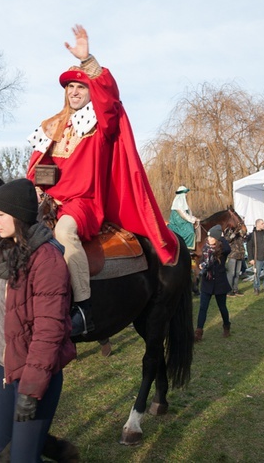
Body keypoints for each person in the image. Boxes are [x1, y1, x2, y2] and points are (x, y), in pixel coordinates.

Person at [26, 25, 178, 336]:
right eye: (69, 88)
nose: (74, 92)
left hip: (82, 204)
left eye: (80, 87)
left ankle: (82, 307)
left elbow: (110, 100)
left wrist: (89, 62)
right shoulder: (51, 126)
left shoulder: (100, 122)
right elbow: (34, 170)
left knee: (66, 234)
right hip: (48, 203)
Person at [0, 178, 76, 462]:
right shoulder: (6, 250)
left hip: (33, 377)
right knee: (1, 456)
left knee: (22, 459)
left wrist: (31, 390)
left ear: (19, 214)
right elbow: (14, 294)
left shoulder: (47, 259)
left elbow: (49, 332)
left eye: (0, 214)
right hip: (1, 368)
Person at [195, 226, 232, 342]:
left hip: (219, 283)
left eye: (212, 236)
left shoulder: (222, 249)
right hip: (207, 282)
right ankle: (199, 332)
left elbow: (228, 248)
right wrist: (201, 264)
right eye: (209, 236)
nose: (209, 238)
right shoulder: (206, 248)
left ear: (216, 238)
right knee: (203, 308)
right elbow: (203, 260)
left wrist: (222, 237)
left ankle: (226, 326)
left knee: (222, 307)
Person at [168, 186, 200, 251]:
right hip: (178, 222)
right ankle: (187, 249)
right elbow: (183, 215)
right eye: (185, 193)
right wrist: (193, 220)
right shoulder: (178, 202)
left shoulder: (183, 202)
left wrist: (194, 218)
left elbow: (188, 213)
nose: (186, 194)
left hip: (182, 220)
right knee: (190, 233)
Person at [225, 223, 246, 297]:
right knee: (231, 273)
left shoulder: (240, 232)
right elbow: (227, 240)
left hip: (240, 255)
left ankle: (235, 289)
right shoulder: (229, 230)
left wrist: (242, 233)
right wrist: (234, 233)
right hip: (232, 255)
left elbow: (244, 237)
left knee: (237, 273)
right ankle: (228, 290)